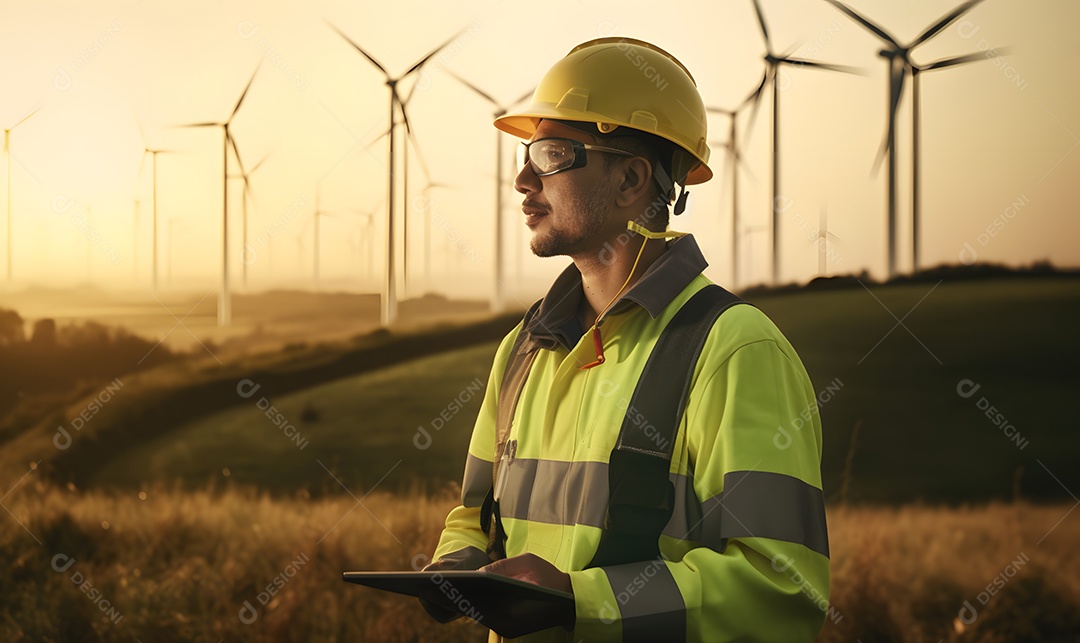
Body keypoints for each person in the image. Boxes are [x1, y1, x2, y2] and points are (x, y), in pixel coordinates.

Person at [420, 37, 830, 642]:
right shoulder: (523, 349)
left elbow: (782, 591)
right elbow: (476, 517)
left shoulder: (734, 350)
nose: (522, 179)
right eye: (527, 153)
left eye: (552, 154)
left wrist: (578, 600)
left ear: (632, 179)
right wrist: (457, 562)